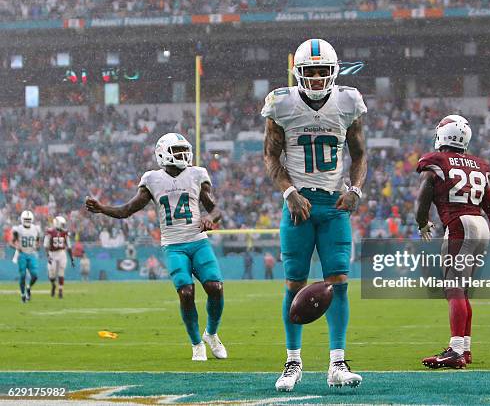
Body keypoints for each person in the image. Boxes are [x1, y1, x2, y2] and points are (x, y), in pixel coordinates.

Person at [262, 38, 367, 391]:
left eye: (324, 71)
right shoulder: (282, 103)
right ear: (298, 73)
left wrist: (356, 190)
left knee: (340, 283)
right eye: (311, 71)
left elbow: (360, 155)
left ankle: (337, 363)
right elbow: (270, 156)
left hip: (334, 205)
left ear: (334, 72)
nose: (319, 78)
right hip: (299, 206)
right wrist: (289, 192)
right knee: (294, 283)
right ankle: (293, 362)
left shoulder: (348, 101)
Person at [85, 133, 228, 361]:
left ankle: (211, 333)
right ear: (163, 154)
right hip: (174, 246)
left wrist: (212, 219)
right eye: (177, 151)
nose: (183, 155)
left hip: (198, 242)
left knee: (215, 287)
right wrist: (102, 208)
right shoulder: (152, 179)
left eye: (184, 150)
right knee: (186, 292)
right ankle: (196, 343)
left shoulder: (197, 174)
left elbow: (216, 209)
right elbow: (127, 210)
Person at [415, 115, 490, 369]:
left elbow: (424, 191)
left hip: (460, 225)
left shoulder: (436, 161)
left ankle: (455, 350)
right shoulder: (479, 166)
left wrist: (421, 221)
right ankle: (465, 348)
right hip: (480, 225)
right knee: (462, 289)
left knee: (453, 288)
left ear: (442, 135)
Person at [11, 210, 41, 303]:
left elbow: (37, 241)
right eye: (26, 219)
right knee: (23, 275)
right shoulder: (18, 229)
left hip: (31, 254)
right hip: (22, 254)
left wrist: (37, 245)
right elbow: (13, 241)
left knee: (35, 276)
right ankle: (23, 295)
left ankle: (28, 288)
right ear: (22, 219)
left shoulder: (36, 229)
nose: (27, 221)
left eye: (28, 219)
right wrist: (16, 246)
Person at [44, 216, 75, 298]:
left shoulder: (65, 233)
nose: (63, 226)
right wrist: (48, 256)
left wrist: (72, 259)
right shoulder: (50, 232)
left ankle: (60, 290)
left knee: (61, 271)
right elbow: (46, 246)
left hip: (61, 253)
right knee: (52, 273)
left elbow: (69, 246)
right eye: (62, 224)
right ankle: (53, 285)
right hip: (52, 253)